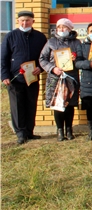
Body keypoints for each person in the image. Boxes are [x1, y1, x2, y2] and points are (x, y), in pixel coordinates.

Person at [1, 10, 47, 145]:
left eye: (27, 20)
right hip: (15, 79)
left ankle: (29, 131)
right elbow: (3, 58)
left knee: (31, 105)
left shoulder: (40, 37)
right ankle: (20, 133)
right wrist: (4, 75)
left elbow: (45, 57)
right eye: (22, 20)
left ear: (33, 21)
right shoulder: (11, 36)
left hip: (32, 78)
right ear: (18, 21)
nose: (24, 23)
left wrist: (41, 67)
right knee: (17, 106)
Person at [39, 18, 83, 142]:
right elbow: (42, 59)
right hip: (56, 77)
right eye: (59, 27)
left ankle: (69, 129)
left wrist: (76, 59)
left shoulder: (76, 42)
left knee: (70, 104)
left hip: (71, 77)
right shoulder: (51, 42)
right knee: (58, 105)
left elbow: (81, 58)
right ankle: (60, 130)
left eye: (64, 27)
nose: (61, 29)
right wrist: (52, 68)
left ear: (70, 29)